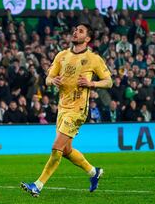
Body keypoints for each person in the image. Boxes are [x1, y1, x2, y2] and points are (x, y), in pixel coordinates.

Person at [21, 23, 113, 197]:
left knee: (56, 148)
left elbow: (108, 82)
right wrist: (52, 81)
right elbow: (48, 77)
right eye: (75, 29)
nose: (75, 32)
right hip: (62, 108)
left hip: (78, 110)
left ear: (87, 39)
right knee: (66, 150)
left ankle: (37, 185)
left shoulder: (93, 58)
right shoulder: (62, 55)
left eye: (80, 31)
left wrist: (91, 83)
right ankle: (94, 172)